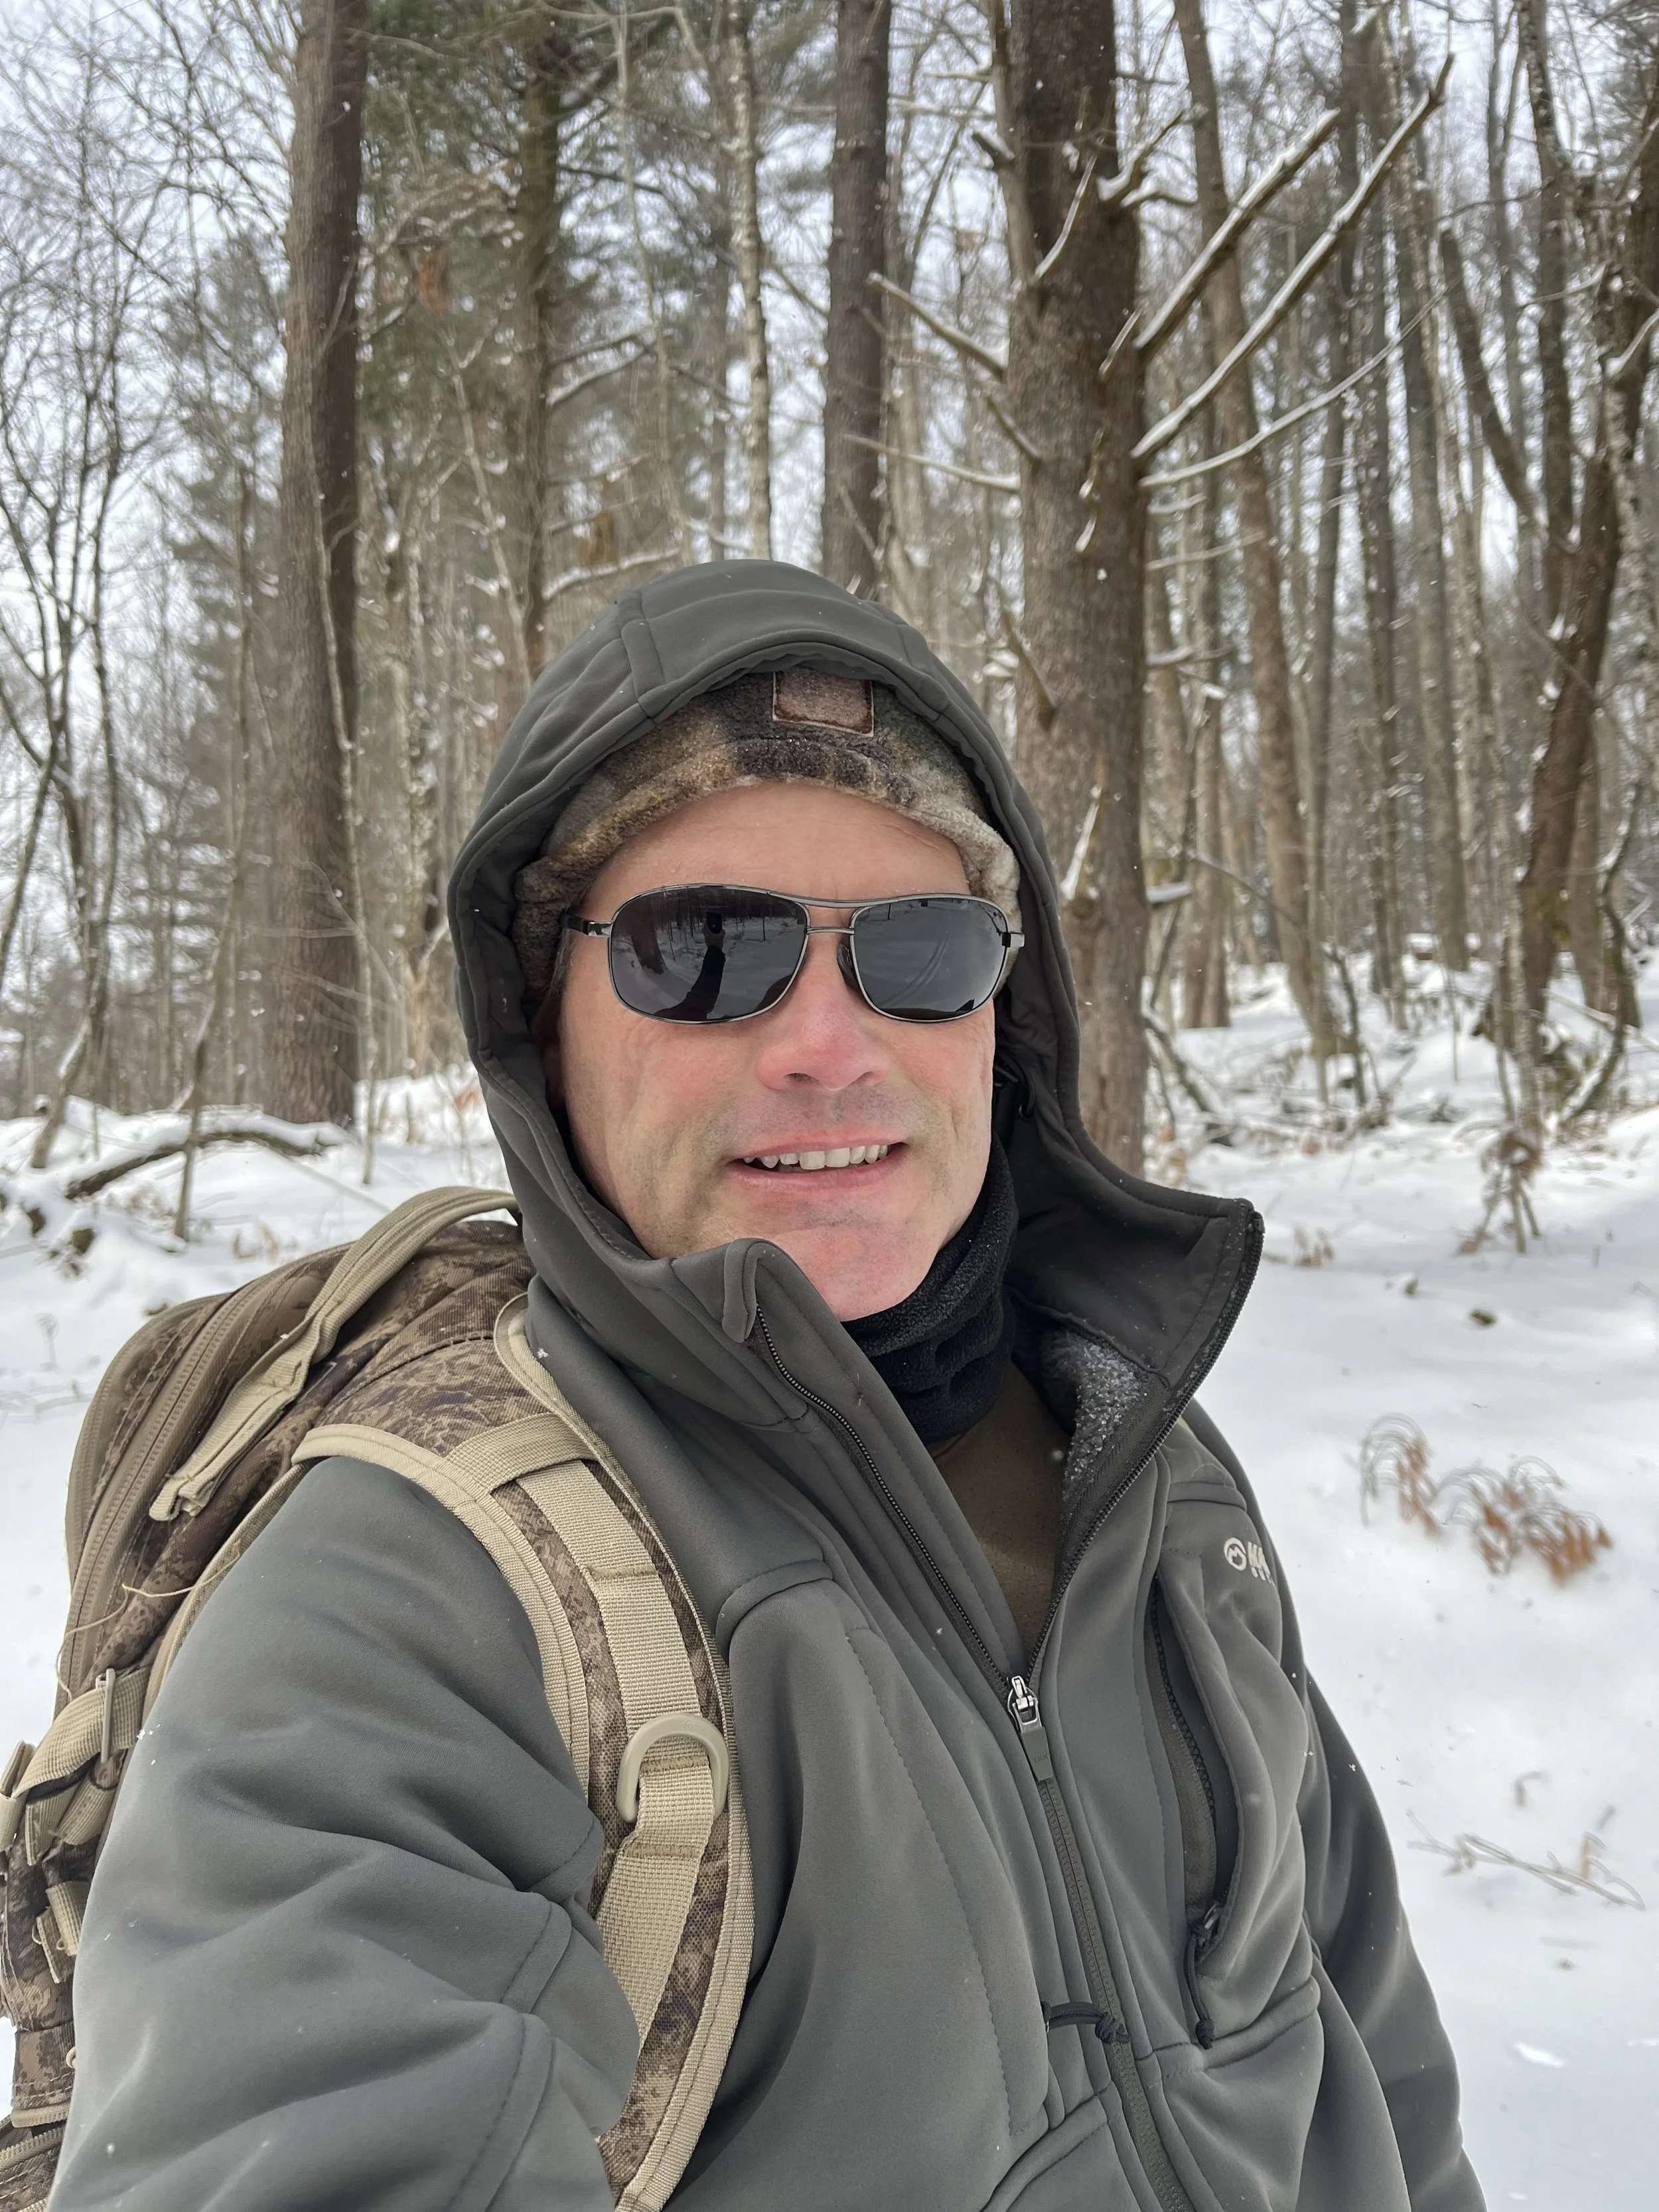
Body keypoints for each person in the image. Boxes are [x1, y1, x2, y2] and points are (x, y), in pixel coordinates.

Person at [52, 561, 1483, 2211]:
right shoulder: (413, 1590)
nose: (827, 1042)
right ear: (541, 1018)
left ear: (998, 1011)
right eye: (702, 950)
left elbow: (1377, 2093)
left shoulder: (1147, 1473)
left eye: (922, 949)